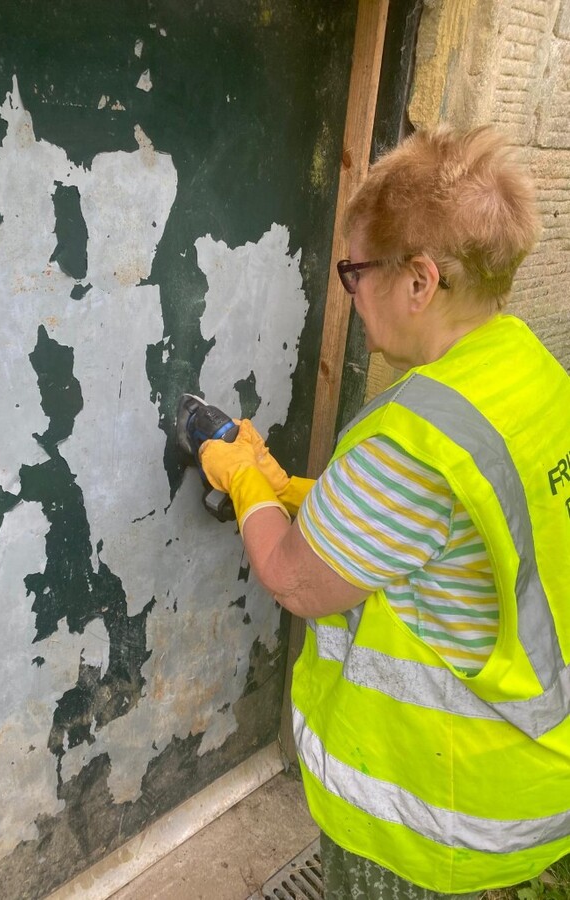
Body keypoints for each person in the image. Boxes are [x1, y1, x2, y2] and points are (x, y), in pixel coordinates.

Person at [199, 125, 570, 899]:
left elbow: (296, 580)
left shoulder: (413, 441)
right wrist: (292, 490)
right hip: (530, 775)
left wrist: (240, 478)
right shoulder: (526, 377)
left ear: (418, 281)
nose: (350, 290)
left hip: (435, 816)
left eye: (353, 272)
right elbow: (433, 539)